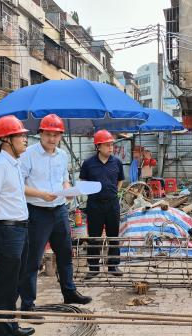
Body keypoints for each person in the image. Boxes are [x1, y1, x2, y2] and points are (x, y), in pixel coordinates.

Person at [18, 114, 92, 316]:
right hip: (37, 211)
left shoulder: (62, 155)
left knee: (66, 253)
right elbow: (18, 185)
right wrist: (41, 194)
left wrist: (68, 192)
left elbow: (64, 179)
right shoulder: (28, 155)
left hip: (59, 210)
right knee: (32, 259)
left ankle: (69, 292)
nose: (52, 139)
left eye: (55, 135)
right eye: (48, 134)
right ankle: (27, 303)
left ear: (60, 136)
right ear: (40, 133)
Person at [0, 115, 34, 336]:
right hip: (7, 230)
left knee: (17, 281)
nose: (24, 139)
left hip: (21, 228)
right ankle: (3, 331)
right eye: (20, 135)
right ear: (6, 139)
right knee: (5, 284)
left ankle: (10, 326)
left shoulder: (15, 164)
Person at [79, 129, 125, 279]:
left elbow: (120, 180)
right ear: (98, 146)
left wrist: (113, 193)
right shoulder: (88, 163)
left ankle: (113, 265)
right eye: (106, 145)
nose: (110, 147)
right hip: (94, 205)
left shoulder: (117, 162)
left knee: (113, 235)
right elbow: (83, 181)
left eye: (111, 144)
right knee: (94, 236)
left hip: (112, 204)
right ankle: (93, 268)